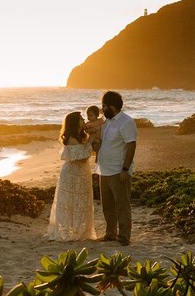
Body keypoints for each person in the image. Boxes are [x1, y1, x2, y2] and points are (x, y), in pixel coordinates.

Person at [45, 111, 97, 241]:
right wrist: (91, 139)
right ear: (75, 123)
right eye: (81, 119)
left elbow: (90, 151)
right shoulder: (71, 138)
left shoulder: (81, 136)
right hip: (72, 174)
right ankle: (70, 232)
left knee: (81, 202)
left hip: (82, 173)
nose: (84, 121)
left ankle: (81, 231)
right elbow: (82, 157)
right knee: (70, 202)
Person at [96, 90, 137, 245]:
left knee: (122, 205)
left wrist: (125, 169)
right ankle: (110, 234)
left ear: (112, 106)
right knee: (107, 206)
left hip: (118, 170)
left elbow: (131, 145)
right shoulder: (107, 122)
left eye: (104, 106)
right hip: (104, 170)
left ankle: (124, 236)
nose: (102, 109)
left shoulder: (126, 122)